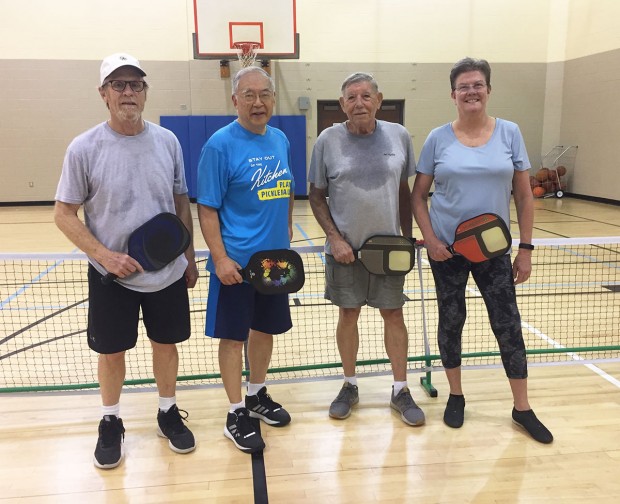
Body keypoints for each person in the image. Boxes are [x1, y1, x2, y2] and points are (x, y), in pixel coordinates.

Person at [54, 53, 199, 469]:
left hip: (167, 272)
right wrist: (104, 256)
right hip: (111, 277)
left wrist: (188, 256)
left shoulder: (167, 141)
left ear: (145, 92)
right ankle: (111, 420)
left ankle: (168, 412)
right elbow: (63, 213)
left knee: (166, 344)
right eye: (119, 85)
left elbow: (180, 201)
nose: (129, 92)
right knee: (112, 352)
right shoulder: (84, 147)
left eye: (136, 84)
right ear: (104, 94)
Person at [411, 57, 553, 444]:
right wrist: (432, 241)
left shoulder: (509, 133)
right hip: (447, 251)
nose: (471, 91)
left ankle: (521, 408)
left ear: (488, 90)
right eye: (463, 86)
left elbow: (524, 195)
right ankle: (455, 396)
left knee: (508, 325)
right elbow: (418, 196)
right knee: (451, 321)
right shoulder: (438, 138)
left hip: (494, 249)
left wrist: (525, 248)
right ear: (453, 94)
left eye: (477, 85)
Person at [308, 72, 424, 427]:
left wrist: (408, 236)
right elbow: (315, 194)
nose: (359, 103)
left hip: (388, 251)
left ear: (378, 99)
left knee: (393, 315)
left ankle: (400, 389)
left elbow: (405, 192)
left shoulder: (399, 136)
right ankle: (349, 385)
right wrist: (334, 238)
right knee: (348, 315)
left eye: (365, 96)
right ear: (342, 104)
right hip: (345, 252)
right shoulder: (327, 141)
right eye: (351, 97)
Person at [196, 66, 295, 454]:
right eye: (249, 95)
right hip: (235, 264)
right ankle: (236, 412)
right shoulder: (219, 146)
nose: (258, 102)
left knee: (265, 331)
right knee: (233, 337)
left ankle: (256, 394)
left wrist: (286, 229)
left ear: (273, 98)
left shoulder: (281, 139)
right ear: (235, 100)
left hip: (273, 262)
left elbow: (286, 188)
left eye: (265, 94)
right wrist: (219, 258)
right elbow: (206, 208)